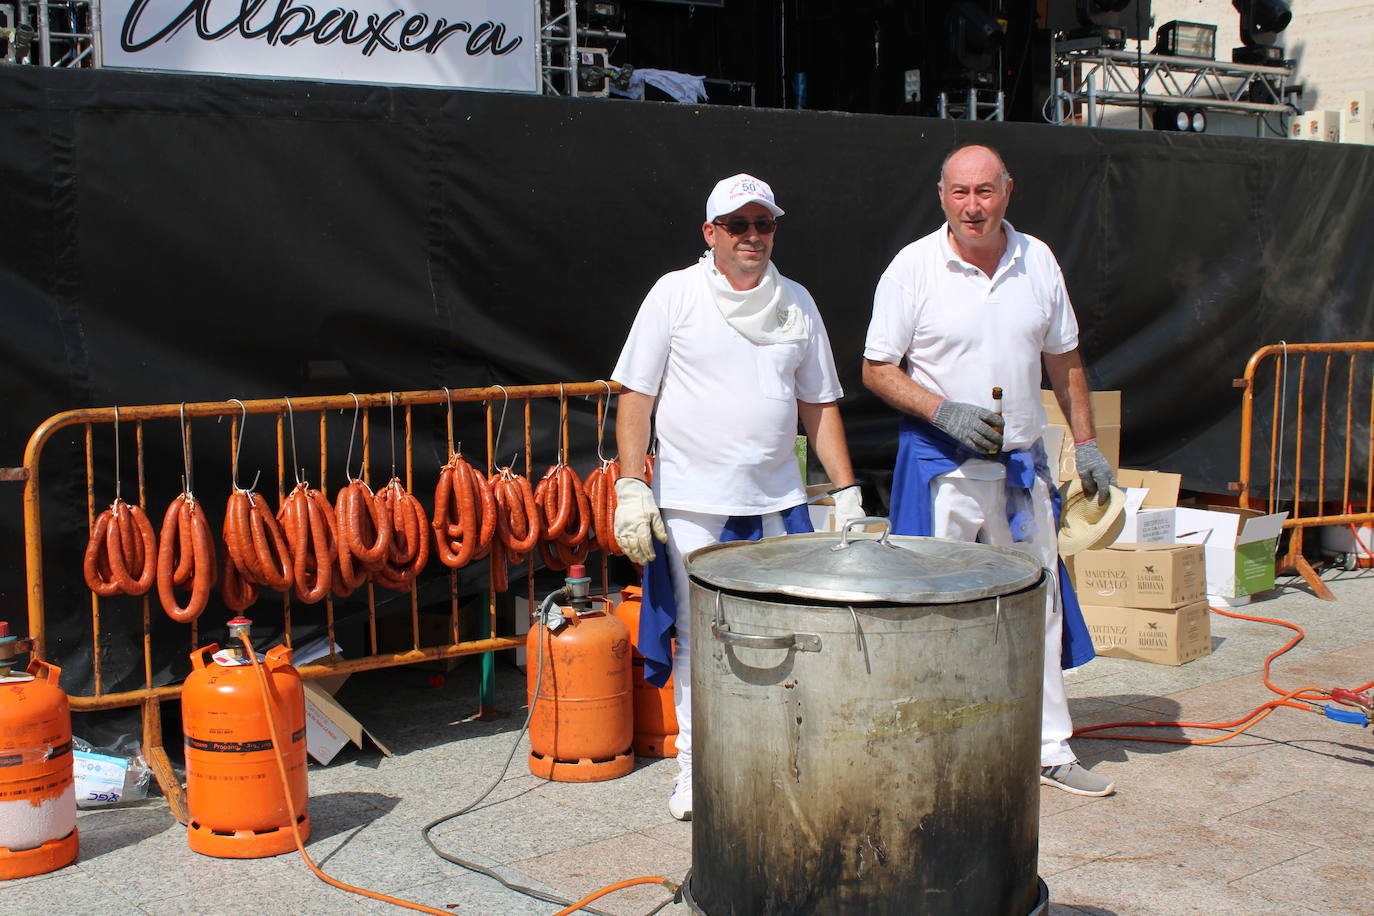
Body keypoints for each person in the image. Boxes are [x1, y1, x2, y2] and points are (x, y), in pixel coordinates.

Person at [862, 143, 1117, 797]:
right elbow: (876, 369)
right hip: (942, 469)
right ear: (941, 195)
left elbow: (1065, 360)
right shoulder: (914, 268)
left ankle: (1050, 746)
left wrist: (1085, 442)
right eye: (959, 193)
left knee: (1038, 604)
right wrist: (942, 410)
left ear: (1008, 190)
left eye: (984, 192)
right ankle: (930, 752)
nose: (972, 207)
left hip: (1019, 472)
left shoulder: (1039, 263)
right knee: (931, 611)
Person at [611, 173, 864, 820]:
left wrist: (849, 494)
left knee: (785, 631)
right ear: (710, 233)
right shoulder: (674, 294)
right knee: (702, 637)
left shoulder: (798, 302)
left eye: (764, 224)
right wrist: (633, 484)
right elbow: (636, 396)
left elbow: (820, 406)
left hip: (778, 498)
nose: (752, 236)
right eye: (738, 225)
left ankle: (780, 757)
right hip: (694, 500)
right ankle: (696, 771)